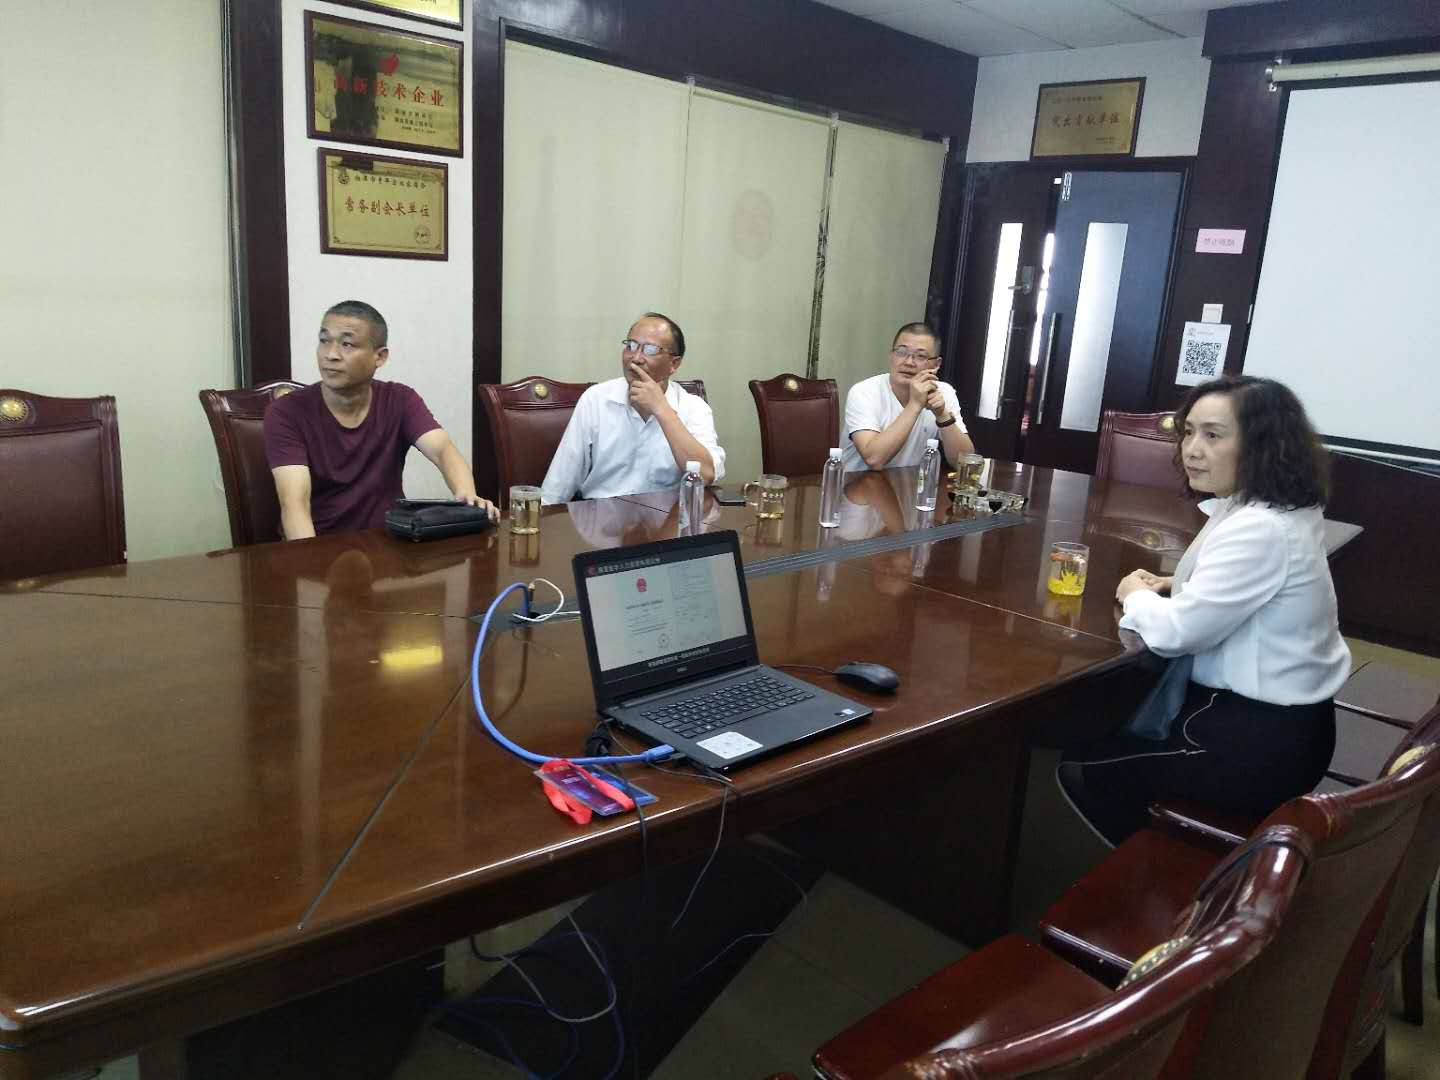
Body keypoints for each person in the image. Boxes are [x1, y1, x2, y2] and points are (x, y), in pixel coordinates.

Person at [1058, 375, 1350, 846]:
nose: (1192, 449)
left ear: (1263, 445)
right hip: (1295, 725)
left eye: (1213, 435)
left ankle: (1157, 881)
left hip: (1255, 744)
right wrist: (1180, 585)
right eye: (1188, 432)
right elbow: (1255, 586)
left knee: (1080, 763)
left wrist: (1135, 594)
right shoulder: (1275, 508)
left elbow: (1177, 634)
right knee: (1101, 724)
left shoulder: (1259, 528)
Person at [264, 300, 495, 539]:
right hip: (321, 545)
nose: (330, 355)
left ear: (380, 356)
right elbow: (295, 504)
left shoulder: (400, 399)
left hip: (389, 542)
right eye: (324, 340)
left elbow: (442, 451)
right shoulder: (286, 412)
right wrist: (311, 557)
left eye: (347, 344)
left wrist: (468, 498)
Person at [540, 313, 725, 503]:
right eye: (631, 346)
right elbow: (558, 485)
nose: (636, 358)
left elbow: (705, 474)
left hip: (668, 517)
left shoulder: (693, 407)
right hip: (602, 515)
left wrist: (662, 409)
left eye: (650, 350)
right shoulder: (596, 400)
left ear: (674, 364)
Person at [841, 322, 973, 473]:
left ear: (936, 364)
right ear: (891, 356)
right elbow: (874, 459)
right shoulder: (864, 392)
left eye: (921, 356)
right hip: (858, 483)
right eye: (901, 352)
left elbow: (965, 463)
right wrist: (915, 405)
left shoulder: (943, 392)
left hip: (909, 483)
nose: (909, 362)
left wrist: (943, 416)